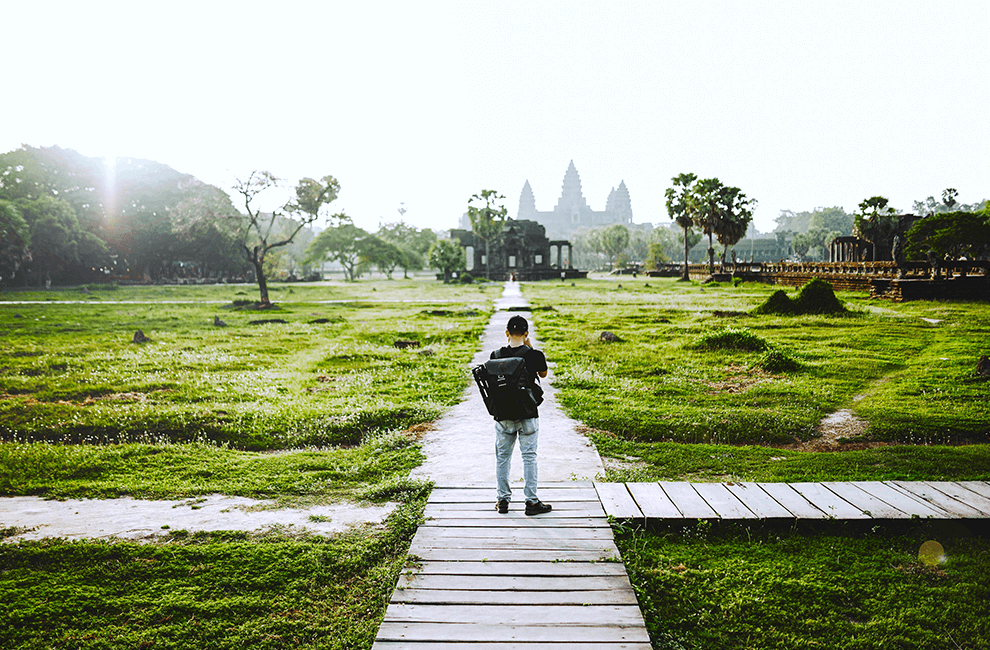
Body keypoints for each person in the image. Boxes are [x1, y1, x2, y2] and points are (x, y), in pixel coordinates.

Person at [492, 314, 552, 515]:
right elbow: (543, 374)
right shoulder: (535, 355)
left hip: (504, 415)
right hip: (528, 414)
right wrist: (530, 346)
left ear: (507, 333)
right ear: (526, 333)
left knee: (502, 458)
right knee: (529, 458)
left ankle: (503, 501)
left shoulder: (496, 355)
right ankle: (532, 503)